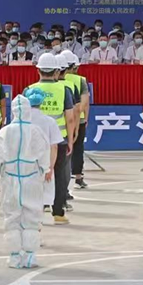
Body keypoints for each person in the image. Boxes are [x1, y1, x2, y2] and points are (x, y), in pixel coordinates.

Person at [0, 94, 53, 269]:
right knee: (32, 217)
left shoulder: (4, 132)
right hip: (31, 178)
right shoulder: (36, 131)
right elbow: (44, 155)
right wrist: (44, 169)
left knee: (11, 217)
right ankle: (30, 255)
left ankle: (14, 256)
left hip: (10, 179)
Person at [30, 54, 75, 225]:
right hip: (59, 139)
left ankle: (36, 209)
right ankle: (58, 212)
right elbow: (70, 117)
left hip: (34, 140)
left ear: (38, 71)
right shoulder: (64, 90)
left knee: (35, 175)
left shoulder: (30, 89)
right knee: (59, 175)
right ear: (56, 72)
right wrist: (70, 140)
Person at [22, 88, 62, 212]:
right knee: (45, 188)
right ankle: (45, 206)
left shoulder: (22, 121)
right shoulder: (50, 121)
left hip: (25, 160)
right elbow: (54, 146)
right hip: (44, 160)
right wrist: (50, 168)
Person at [59, 52, 90, 190]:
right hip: (77, 120)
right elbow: (84, 104)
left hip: (59, 122)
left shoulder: (54, 82)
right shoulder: (80, 80)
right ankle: (78, 177)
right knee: (77, 149)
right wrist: (83, 119)